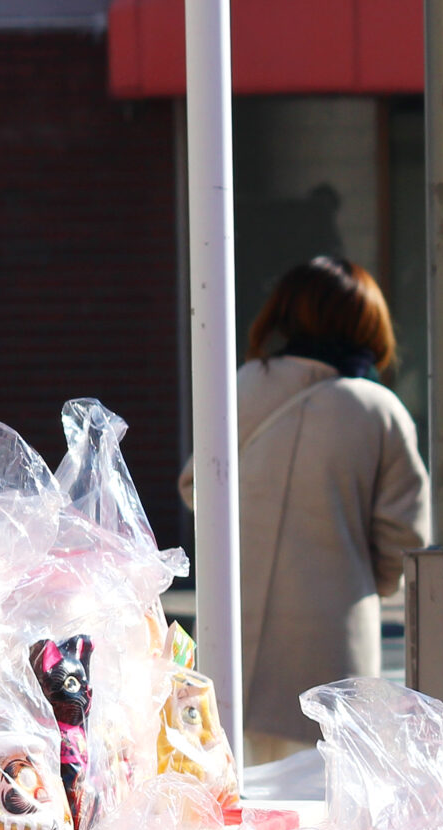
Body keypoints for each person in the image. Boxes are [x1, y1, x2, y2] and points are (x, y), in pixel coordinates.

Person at [179, 256, 430, 762]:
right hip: (330, 652)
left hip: (232, 643)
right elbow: (406, 542)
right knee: (320, 811)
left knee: (235, 804)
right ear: (368, 324)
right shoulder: (378, 410)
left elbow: (194, 486)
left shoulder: (241, 385)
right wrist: (365, 579)